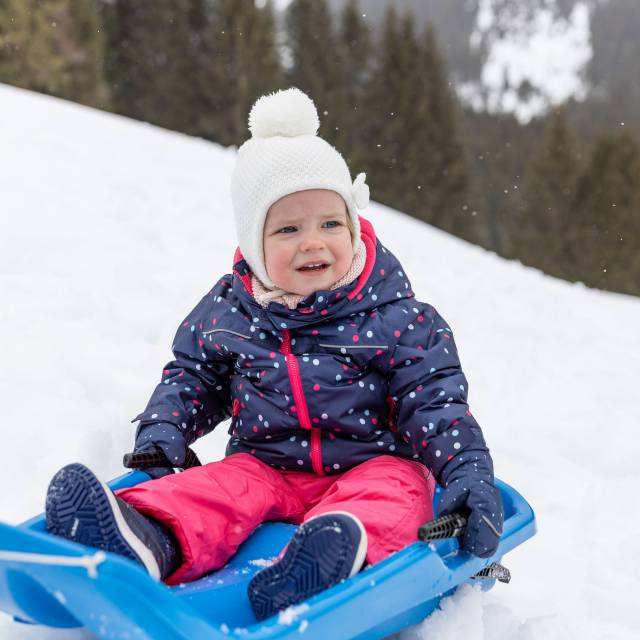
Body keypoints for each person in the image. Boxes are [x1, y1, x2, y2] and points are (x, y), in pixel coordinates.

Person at [45, 88, 504, 621]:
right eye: (288, 229)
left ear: (354, 227)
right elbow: (193, 376)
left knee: (395, 497)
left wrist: (469, 477)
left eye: (331, 224)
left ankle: (329, 567)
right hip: (265, 467)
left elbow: (439, 409)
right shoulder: (232, 309)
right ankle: (141, 537)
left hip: (372, 465)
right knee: (214, 489)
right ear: (253, 245)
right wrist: (163, 432)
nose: (314, 243)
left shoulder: (400, 319)